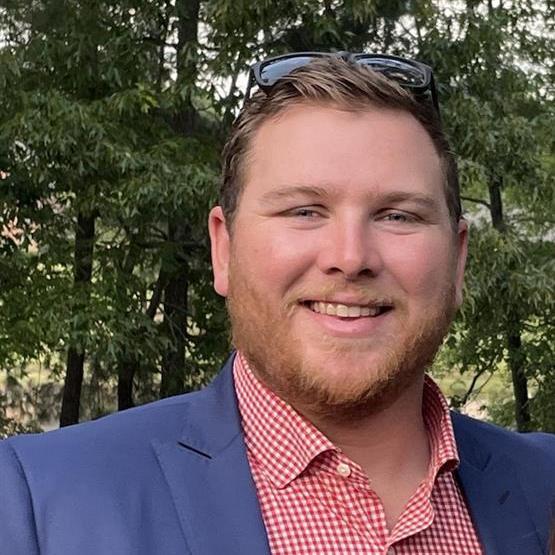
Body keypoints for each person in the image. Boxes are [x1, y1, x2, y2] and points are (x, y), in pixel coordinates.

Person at [0, 52, 553, 555]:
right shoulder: (39, 504)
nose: (350, 257)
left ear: (457, 261)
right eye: (303, 211)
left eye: (397, 215)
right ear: (224, 249)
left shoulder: (545, 486)